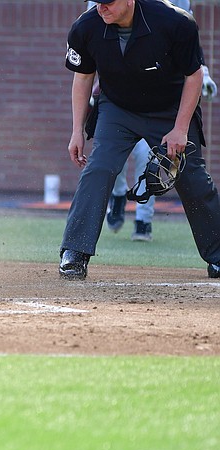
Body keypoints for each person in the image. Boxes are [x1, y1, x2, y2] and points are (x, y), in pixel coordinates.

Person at [60, 0, 220, 280]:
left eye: (109, 2)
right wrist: (76, 130)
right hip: (118, 108)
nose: (102, 8)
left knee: (191, 177)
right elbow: (83, 76)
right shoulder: (86, 27)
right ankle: (74, 253)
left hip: (170, 108)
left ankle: (218, 254)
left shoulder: (174, 21)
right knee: (100, 167)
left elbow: (194, 76)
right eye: (98, 2)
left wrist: (180, 129)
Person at [89, 0, 218, 242]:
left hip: (165, 99)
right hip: (120, 97)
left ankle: (143, 220)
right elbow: (94, 41)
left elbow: (188, 47)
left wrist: (205, 76)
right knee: (105, 160)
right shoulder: (102, 9)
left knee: (151, 159)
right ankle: (117, 196)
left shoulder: (175, 9)